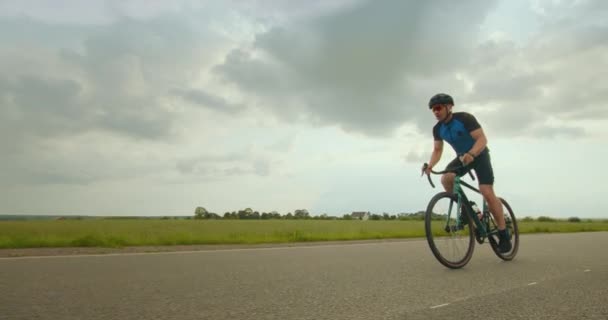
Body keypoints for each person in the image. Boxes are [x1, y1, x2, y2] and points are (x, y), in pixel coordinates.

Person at [422, 93, 512, 253]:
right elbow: (437, 150)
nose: (435, 112)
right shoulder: (437, 129)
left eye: (438, 108)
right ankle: (466, 210)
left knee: (486, 191)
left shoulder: (464, 118)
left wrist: (472, 154)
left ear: (449, 107)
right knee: (447, 179)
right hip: (462, 157)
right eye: (433, 110)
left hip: (480, 154)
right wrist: (430, 165)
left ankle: (503, 232)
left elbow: (482, 139)